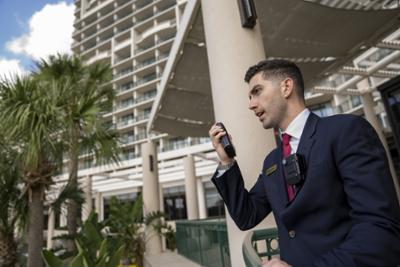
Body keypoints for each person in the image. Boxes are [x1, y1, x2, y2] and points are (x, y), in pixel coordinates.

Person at [208, 59, 400, 267]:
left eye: (257, 91)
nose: (251, 104)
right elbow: (247, 215)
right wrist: (226, 161)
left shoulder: (346, 131)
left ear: (286, 87)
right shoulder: (272, 161)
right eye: (250, 96)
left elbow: (380, 230)